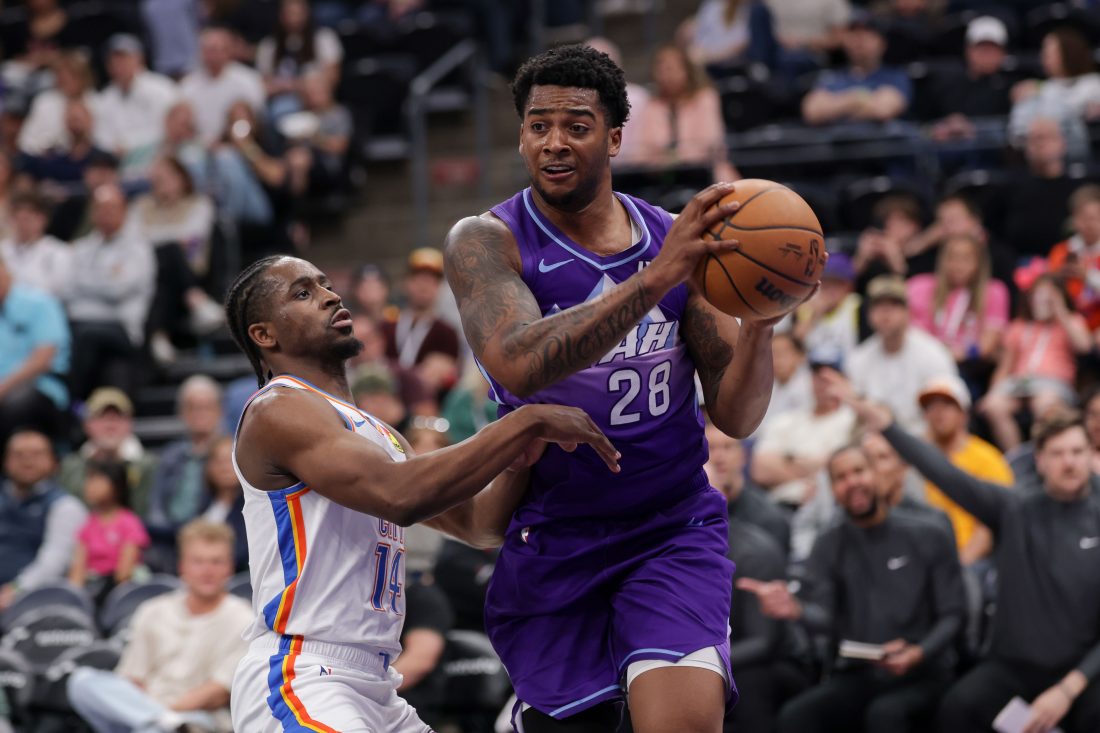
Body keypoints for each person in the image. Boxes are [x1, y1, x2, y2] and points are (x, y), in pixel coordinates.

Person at [443, 44, 806, 732]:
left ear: (613, 138)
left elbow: (735, 413)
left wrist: (761, 323)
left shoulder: (673, 240)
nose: (554, 142)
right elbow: (520, 363)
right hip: (554, 535)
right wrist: (654, 280)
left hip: (669, 526)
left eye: (576, 126)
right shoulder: (488, 241)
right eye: (537, 125)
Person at [223, 254, 618, 732]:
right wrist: (523, 422)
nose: (330, 296)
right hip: (303, 674)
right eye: (303, 293)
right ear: (265, 335)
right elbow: (399, 496)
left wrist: (517, 461)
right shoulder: (279, 407)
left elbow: (479, 525)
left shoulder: (379, 433)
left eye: (326, 284)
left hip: (375, 682)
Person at [851, 400, 1100, 733]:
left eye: (1076, 451)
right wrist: (889, 429)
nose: (1068, 462)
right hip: (1012, 667)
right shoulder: (1014, 508)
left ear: (1090, 455)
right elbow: (948, 475)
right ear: (1038, 460)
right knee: (959, 708)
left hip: (1081, 673)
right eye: (1057, 453)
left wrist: (1067, 690)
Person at [739, 444, 965, 733]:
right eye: (840, 477)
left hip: (924, 671)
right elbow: (825, 617)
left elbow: (953, 614)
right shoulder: (828, 543)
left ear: (877, 475)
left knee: (884, 715)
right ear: (832, 490)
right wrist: (796, 610)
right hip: (860, 673)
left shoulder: (929, 533)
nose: (852, 483)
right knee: (796, 717)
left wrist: (918, 653)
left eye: (859, 471)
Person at [67, 520, 253, 733]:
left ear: (230, 567)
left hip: (198, 719)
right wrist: (153, 714)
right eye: (198, 561)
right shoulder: (153, 610)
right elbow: (132, 678)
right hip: (143, 711)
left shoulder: (244, 619)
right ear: (182, 565)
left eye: (216, 562)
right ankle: (158, 721)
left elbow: (218, 691)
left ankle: (159, 722)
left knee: (150, 729)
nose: (207, 570)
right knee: (82, 681)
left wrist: (162, 714)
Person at [979, 274, 1091, 451]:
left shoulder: (1071, 322)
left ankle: (1044, 454)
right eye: (1038, 296)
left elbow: (1084, 346)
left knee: (1044, 404)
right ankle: (1016, 458)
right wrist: (993, 391)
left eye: (1049, 297)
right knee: (994, 406)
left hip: (1053, 384)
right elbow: (1005, 367)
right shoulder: (1019, 326)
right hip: (1018, 383)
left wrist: (1060, 311)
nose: (1042, 302)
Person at [64, 184, 156, 400]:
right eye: (100, 208)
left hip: (123, 329)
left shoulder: (139, 248)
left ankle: (72, 399)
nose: (105, 213)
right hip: (86, 327)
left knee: (85, 334)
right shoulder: (82, 247)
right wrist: (104, 281)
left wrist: (88, 285)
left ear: (124, 210)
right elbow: (69, 290)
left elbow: (118, 289)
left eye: (111, 208)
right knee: (92, 346)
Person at [917, 375, 1012, 566]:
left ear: (964, 414)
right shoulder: (917, 459)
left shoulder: (987, 459)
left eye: (946, 405)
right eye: (930, 407)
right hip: (924, 558)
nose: (938, 413)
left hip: (973, 561)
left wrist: (959, 567)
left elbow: (993, 523)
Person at [845, 275, 957, 433]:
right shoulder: (858, 358)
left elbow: (948, 413)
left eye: (894, 305)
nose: (885, 313)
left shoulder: (933, 353)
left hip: (921, 441)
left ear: (907, 311)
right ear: (869, 314)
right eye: (878, 306)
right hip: (873, 441)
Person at [906, 233, 1009, 391]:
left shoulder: (993, 291)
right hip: (924, 360)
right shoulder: (920, 286)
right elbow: (912, 332)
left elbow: (987, 344)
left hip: (966, 366)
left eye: (966, 259)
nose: (958, 265)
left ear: (979, 263)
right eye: (952, 258)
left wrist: (956, 353)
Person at [0, 430, 87, 611]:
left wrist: (16, 590)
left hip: (37, 603)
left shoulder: (65, 506)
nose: (27, 461)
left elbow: (53, 563)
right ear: (5, 462)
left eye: (37, 454)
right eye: (18, 455)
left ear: (54, 462)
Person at [628, 44, 736, 183]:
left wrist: (674, 158)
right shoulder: (652, 105)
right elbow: (639, 153)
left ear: (687, 70)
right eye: (661, 69)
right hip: (660, 179)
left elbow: (709, 144)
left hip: (707, 175)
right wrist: (661, 162)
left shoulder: (705, 98)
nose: (666, 75)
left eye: (671, 68)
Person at [147, 376, 224, 565]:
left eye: (206, 407)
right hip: (167, 540)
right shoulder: (170, 455)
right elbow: (156, 506)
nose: (200, 414)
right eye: (192, 408)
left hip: (211, 540)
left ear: (219, 411)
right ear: (182, 412)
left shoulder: (228, 453)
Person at [0, 256, 70, 447]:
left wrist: (3, 388)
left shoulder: (40, 303)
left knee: (18, 403)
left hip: (39, 388)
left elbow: (42, 359)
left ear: (6, 272)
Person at [59, 387, 157, 518]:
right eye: (102, 417)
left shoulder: (150, 465)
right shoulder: (71, 466)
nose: (110, 425)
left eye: (117, 418)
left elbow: (147, 513)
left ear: (130, 423)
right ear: (87, 424)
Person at [801, 9, 911, 126]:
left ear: (882, 43)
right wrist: (856, 100)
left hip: (879, 141)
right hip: (836, 140)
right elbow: (812, 112)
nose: (859, 40)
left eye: (867, 34)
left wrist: (834, 105)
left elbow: (883, 110)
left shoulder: (895, 76)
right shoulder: (832, 77)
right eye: (854, 34)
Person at [1009, 27, 1100, 160]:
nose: (1043, 59)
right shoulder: (1041, 89)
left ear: (1068, 53)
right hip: (1042, 158)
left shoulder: (1094, 84)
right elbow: (1017, 133)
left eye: (1048, 54)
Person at [94, 34, 179, 175]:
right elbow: (100, 134)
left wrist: (130, 145)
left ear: (139, 59)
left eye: (124, 58)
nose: (119, 65)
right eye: (114, 60)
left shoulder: (161, 89)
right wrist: (113, 148)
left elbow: (167, 129)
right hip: (118, 163)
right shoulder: (105, 98)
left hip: (158, 158)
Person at [68, 459, 150, 602]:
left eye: (98, 480)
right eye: (89, 479)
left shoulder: (129, 522)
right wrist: (75, 597)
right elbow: (78, 569)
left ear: (117, 485)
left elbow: (124, 573)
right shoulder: (88, 523)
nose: (90, 486)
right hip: (92, 589)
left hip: (121, 591)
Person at [705, 419, 791, 555]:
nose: (718, 457)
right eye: (709, 448)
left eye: (727, 447)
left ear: (743, 456)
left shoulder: (769, 519)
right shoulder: (687, 513)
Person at [926, 16, 1013, 139]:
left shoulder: (1009, 87)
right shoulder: (948, 83)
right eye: (982, 49)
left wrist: (973, 129)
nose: (987, 55)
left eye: (992, 49)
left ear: (1003, 53)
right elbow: (926, 123)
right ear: (968, 50)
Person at [180, 27, 265, 146]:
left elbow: (253, 122)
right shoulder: (187, 84)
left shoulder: (248, 80)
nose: (211, 56)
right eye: (206, 50)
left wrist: (228, 140)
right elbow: (184, 124)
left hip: (236, 144)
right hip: (198, 145)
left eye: (215, 50)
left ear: (228, 51)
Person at [382, 248, 461, 372]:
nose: (424, 285)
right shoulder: (387, 327)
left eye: (431, 280)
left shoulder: (446, 333)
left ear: (439, 287)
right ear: (405, 283)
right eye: (418, 278)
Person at [1048, 184, 1100, 332]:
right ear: (1074, 219)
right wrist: (1059, 276)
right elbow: (1049, 289)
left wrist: (1087, 276)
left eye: (1094, 218)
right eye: (1083, 218)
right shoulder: (1062, 251)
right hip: (1068, 324)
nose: (1089, 224)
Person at [0, 191, 71, 296]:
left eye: (27, 219)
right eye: (17, 218)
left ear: (43, 219)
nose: (22, 224)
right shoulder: (2, 249)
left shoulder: (59, 252)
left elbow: (61, 291)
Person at [755, 331, 812, 434]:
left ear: (800, 356)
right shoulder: (765, 386)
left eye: (782, 353)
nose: (777, 359)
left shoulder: (809, 385)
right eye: (772, 353)